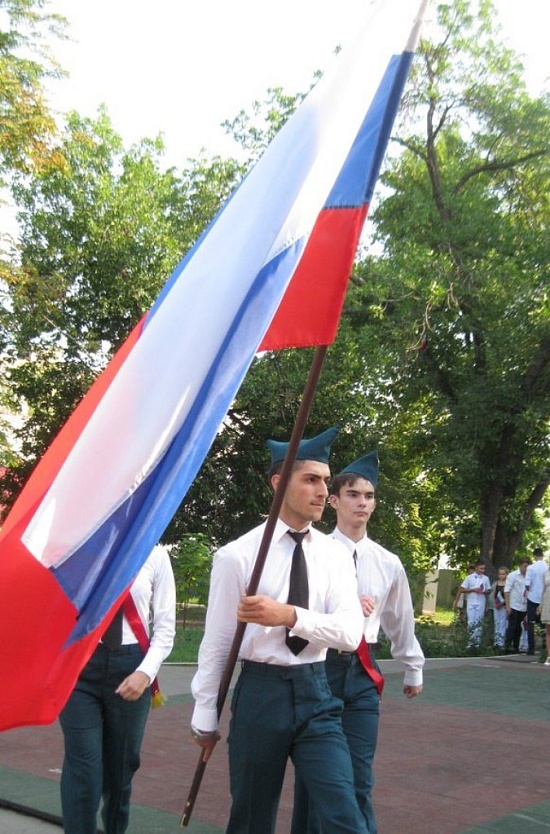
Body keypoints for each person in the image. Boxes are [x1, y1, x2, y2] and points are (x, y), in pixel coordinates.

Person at [190, 426, 369, 834]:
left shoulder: (335, 555)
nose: (324, 490)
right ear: (278, 482)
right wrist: (205, 714)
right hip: (259, 695)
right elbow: (218, 642)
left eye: (326, 480)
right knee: (252, 818)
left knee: (344, 814)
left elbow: (349, 632)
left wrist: (290, 615)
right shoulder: (238, 556)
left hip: (316, 694)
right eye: (311, 479)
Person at [291, 451, 424, 834]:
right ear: (333, 501)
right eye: (352, 494)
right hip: (319, 667)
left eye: (368, 495)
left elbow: (400, 618)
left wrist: (412, 667)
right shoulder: (311, 551)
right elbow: (295, 609)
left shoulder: (386, 561)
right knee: (315, 778)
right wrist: (347, 604)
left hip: (363, 672)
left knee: (359, 777)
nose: (361, 502)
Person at [59, 545, 176, 834]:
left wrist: (145, 674)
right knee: (84, 769)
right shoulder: (80, 544)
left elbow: (165, 627)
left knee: (120, 771)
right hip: (79, 668)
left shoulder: (154, 553)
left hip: (132, 667)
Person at [458, 560, 491, 648]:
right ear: (476, 568)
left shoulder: (485, 578)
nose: (482, 570)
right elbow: (462, 589)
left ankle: (477, 643)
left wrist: (483, 591)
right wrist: (473, 590)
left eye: (483, 569)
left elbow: (488, 590)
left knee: (478, 622)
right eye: (481, 568)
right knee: (471, 622)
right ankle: (470, 642)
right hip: (471, 602)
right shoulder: (469, 578)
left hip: (481, 602)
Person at [524, 547, 548, 655]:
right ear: (542, 555)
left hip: (532, 597)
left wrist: (529, 590)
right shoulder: (547, 567)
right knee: (545, 623)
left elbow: (527, 584)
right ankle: (544, 648)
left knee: (531, 623)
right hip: (544, 598)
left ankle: (531, 648)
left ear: (534, 556)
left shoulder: (530, 568)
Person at [504, 557, 530, 653]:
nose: (526, 569)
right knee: (512, 626)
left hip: (524, 606)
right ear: (520, 565)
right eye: (524, 566)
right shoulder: (513, 575)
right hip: (514, 605)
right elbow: (507, 590)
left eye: (528, 567)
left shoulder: (529, 576)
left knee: (519, 627)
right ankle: (507, 646)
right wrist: (508, 605)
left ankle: (516, 646)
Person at [491, 566, 509, 649]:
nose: (501, 576)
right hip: (496, 606)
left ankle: (501, 642)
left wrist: (503, 603)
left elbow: (509, 596)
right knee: (497, 623)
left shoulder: (508, 584)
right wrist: (494, 603)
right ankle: (496, 642)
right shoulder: (496, 583)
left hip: (504, 606)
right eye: (500, 574)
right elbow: (493, 594)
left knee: (503, 623)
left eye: (503, 574)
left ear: (506, 574)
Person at [538, 567, 550, 666]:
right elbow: (543, 590)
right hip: (547, 603)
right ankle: (549, 657)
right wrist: (541, 606)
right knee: (548, 631)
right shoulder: (546, 573)